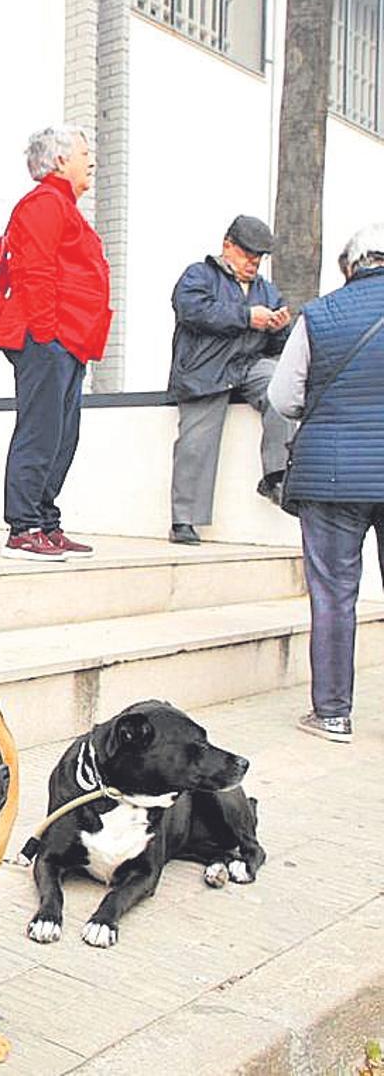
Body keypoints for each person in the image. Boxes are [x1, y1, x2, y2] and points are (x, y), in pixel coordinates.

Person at [267, 223, 384, 744]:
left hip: (332, 473)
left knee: (335, 595)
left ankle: (333, 714)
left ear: (350, 266)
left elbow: (283, 396)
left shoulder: (320, 314)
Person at [0, 125, 113, 562]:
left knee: (62, 435)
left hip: (67, 341)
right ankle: (23, 528)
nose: (91, 160)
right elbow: (35, 271)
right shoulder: (43, 203)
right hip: (48, 338)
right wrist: (47, 334)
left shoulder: (61, 205)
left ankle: (44, 520)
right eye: (84, 152)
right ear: (60, 160)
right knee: (40, 433)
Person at [167, 216, 293, 545]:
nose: (254, 262)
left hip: (248, 365)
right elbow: (192, 310)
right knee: (196, 443)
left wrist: (279, 327)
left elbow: (279, 347)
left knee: (280, 388)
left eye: (259, 256)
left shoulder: (267, 290)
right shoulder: (199, 274)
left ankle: (277, 474)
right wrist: (247, 317)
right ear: (228, 246)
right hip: (204, 370)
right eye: (249, 253)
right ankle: (184, 520)